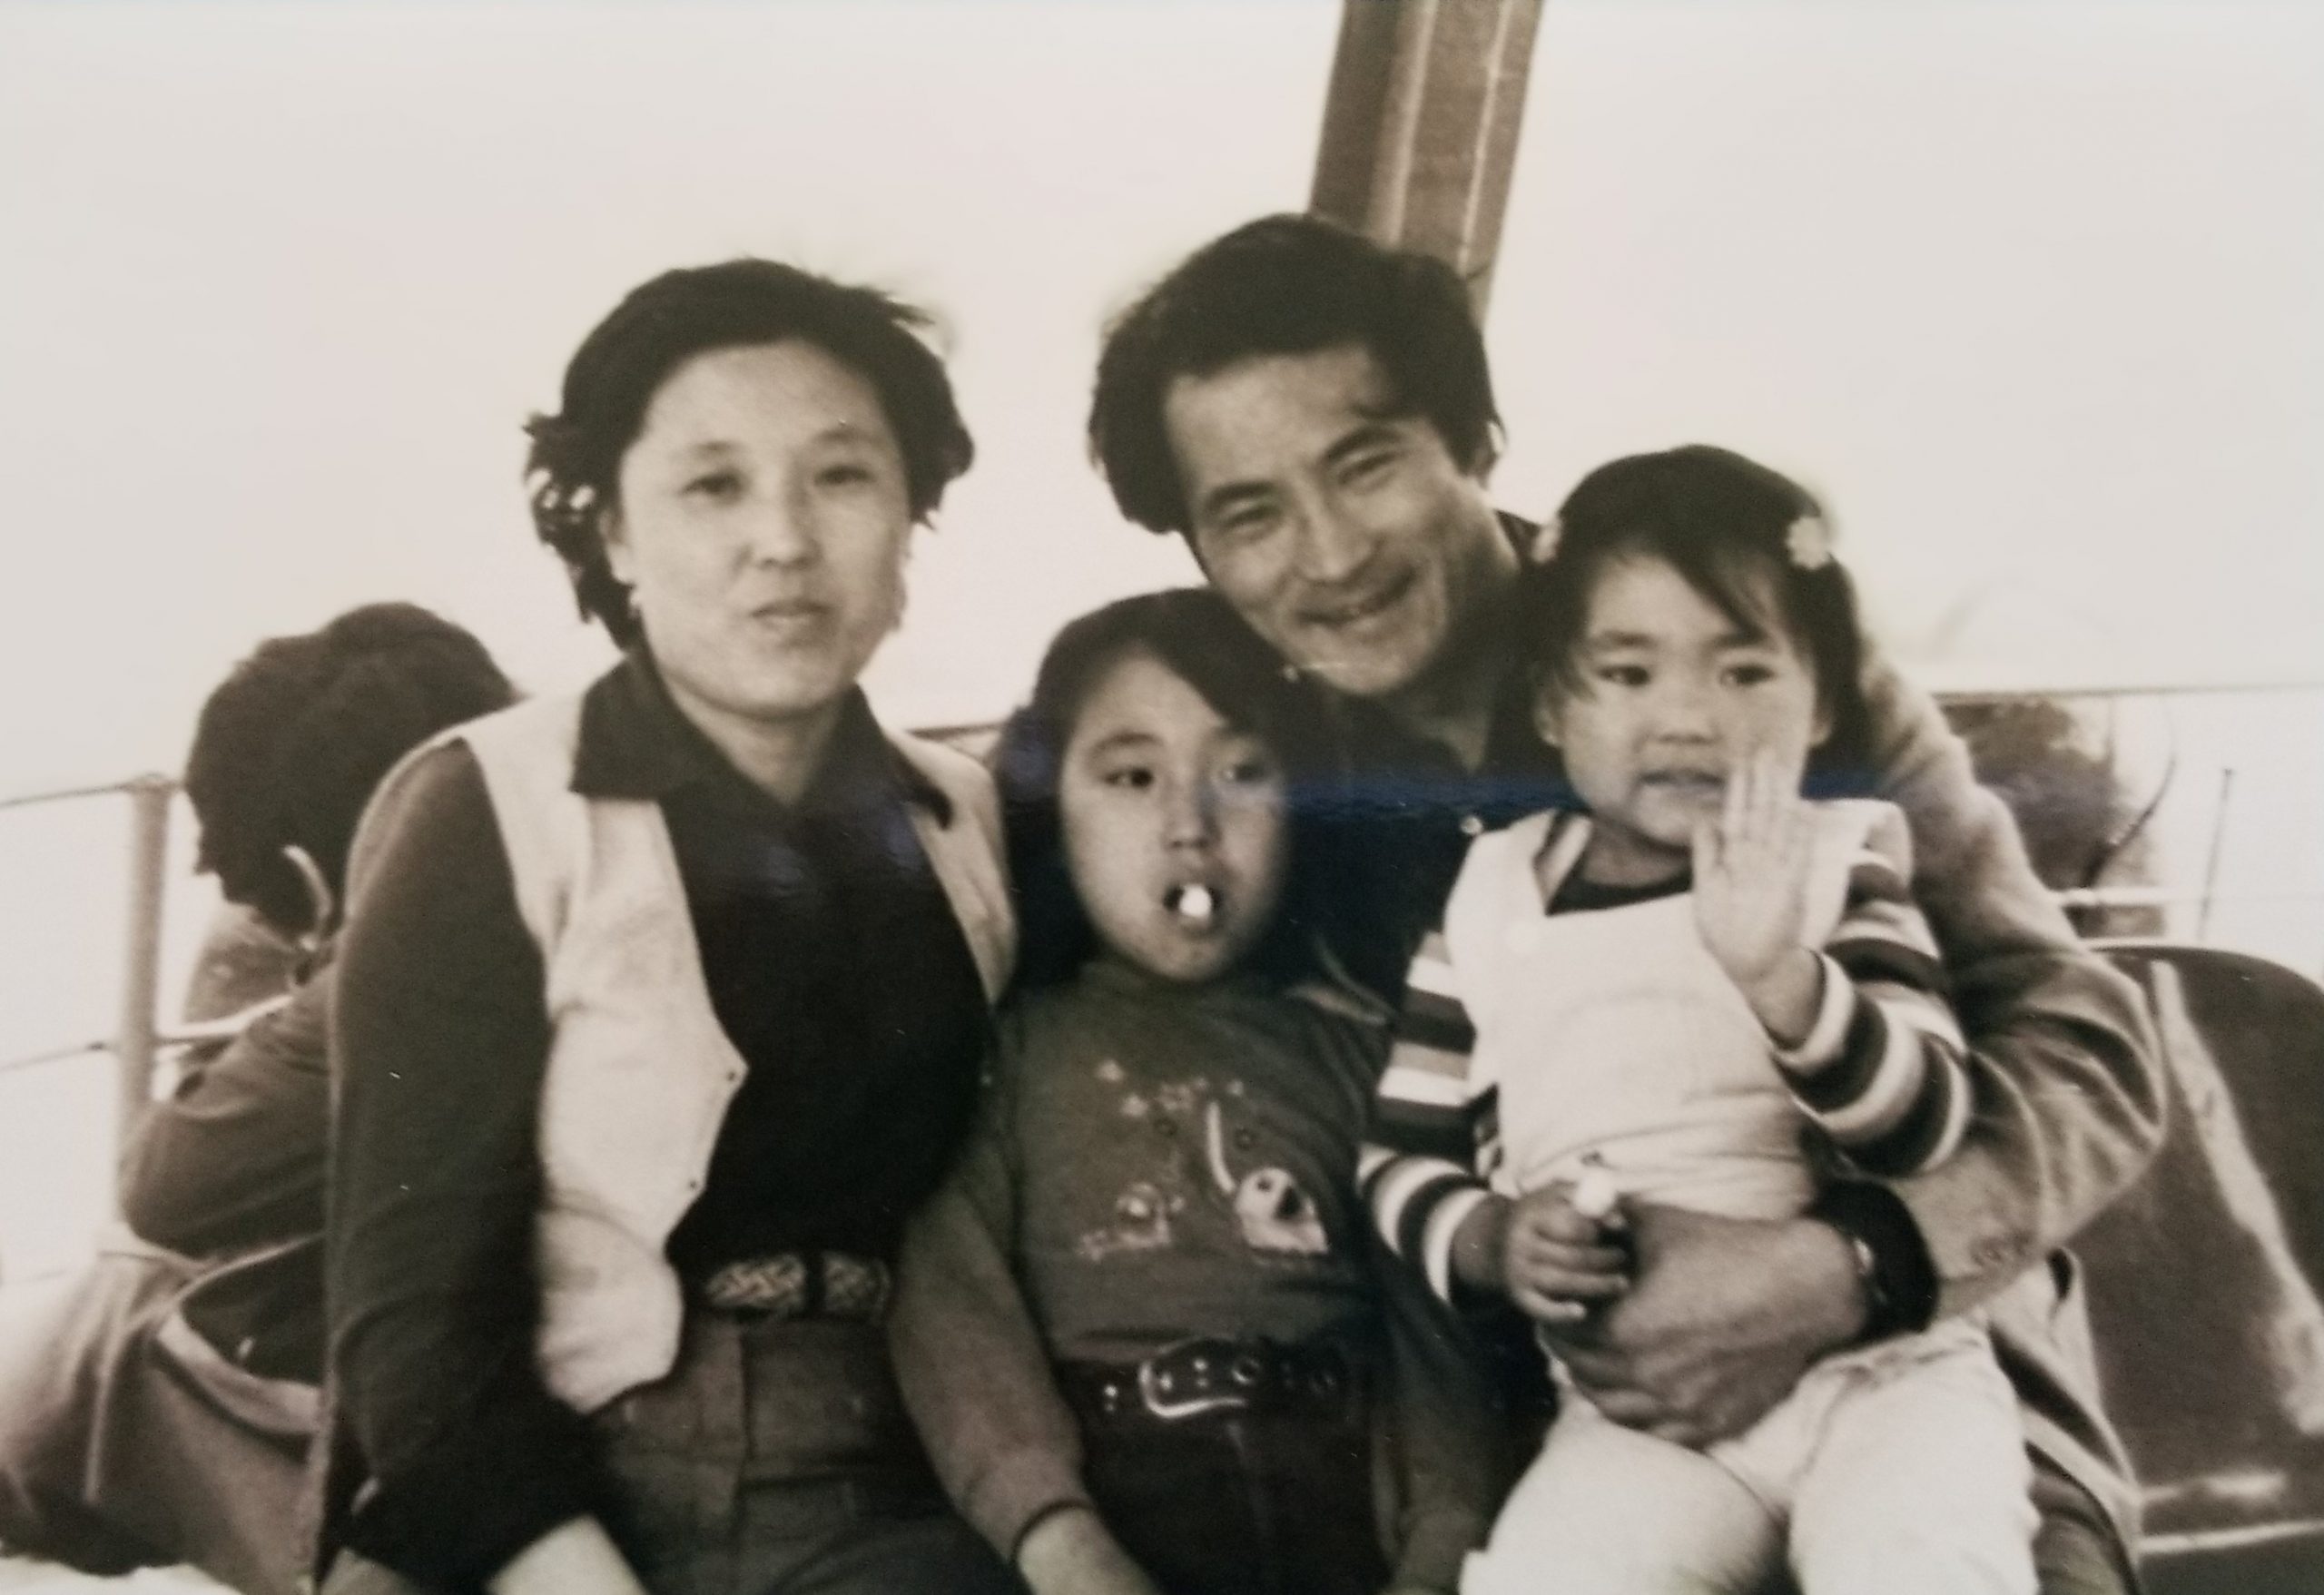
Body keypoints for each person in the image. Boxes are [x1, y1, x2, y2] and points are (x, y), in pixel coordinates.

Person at [1085, 213, 2162, 1593]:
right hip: (1568, 1445)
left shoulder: (1746, 668)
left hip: (1933, 1397)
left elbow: (2091, 1055)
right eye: (1251, 514)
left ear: (1472, 441)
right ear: (1198, 549)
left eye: (1366, 464)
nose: (1331, 551)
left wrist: (1849, 1265)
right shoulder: (1262, 772)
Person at [315, 260, 1019, 1595]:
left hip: (904, 1477)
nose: (784, 540)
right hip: (553, 1492)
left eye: (842, 475)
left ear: (912, 511)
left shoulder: (965, 820)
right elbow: (412, 1330)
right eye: (713, 486)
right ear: (614, 533)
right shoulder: (488, 807)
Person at [1368, 448, 2035, 1593]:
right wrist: (1494, 1236)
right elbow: (1399, 1160)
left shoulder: (1837, 861)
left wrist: (1782, 977)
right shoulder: (1488, 898)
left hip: (1886, 1380)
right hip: (1638, 1415)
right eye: (1627, 672)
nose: (1685, 716)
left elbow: (1926, 1126)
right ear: (1551, 700)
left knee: (1926, 1567)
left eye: (1742, 670)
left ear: (1821, 704)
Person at [889, 589, 1502, 1595]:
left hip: (1347, 1513)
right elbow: (954, 1312)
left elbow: (1430, 1341)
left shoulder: (1362, 1053)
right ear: (1051, 806)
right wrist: (1061, 1545)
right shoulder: (1005, 1050)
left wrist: (1442, 1545)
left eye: (1242, 771)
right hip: (1107, 1520)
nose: (1191, 826)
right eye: (1132, 776)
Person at [0, 603, 514, 1595]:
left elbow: (170, 1184)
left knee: (127, 1306)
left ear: (307, 873)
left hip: (514, 1422)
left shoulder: (407, 972)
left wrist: (330, 947)